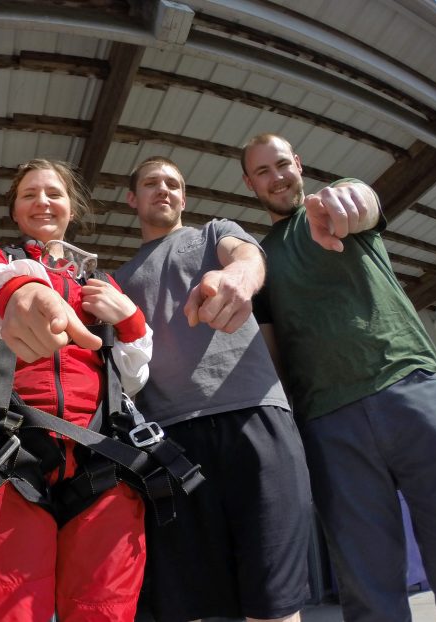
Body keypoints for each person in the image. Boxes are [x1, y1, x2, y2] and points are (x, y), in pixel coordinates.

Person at [243, 133, 436, 622]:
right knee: (366, 579)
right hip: (327, 420)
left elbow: (364, 202)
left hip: (412, 385)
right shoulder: (261, 258)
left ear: (298, 163)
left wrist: (353, 203)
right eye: (263, 172)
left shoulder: (333, 202)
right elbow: (271, 351)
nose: (277, 178)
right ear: (251, 184)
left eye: (281, 164)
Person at [0, 159, 153, 621]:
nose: (42, 201)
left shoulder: (104, 285)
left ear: (71, 209)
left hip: (102, 456)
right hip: (9, 452)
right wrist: (24, 285)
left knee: (104, 607)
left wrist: (130, 320)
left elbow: (133, 380)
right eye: (29, 195)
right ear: (15, 212)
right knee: (4, 605)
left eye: (54, 193)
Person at [114, 156, 311, 622]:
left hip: (255, 418)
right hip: (170, 442)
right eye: (150, 183)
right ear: (132, 199)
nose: (163, 190)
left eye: (173, 184)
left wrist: (237, 279)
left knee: (274, 601)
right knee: (192, 602)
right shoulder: (117, 280)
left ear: (184, 197)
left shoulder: (213, 234)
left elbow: (247, 258)